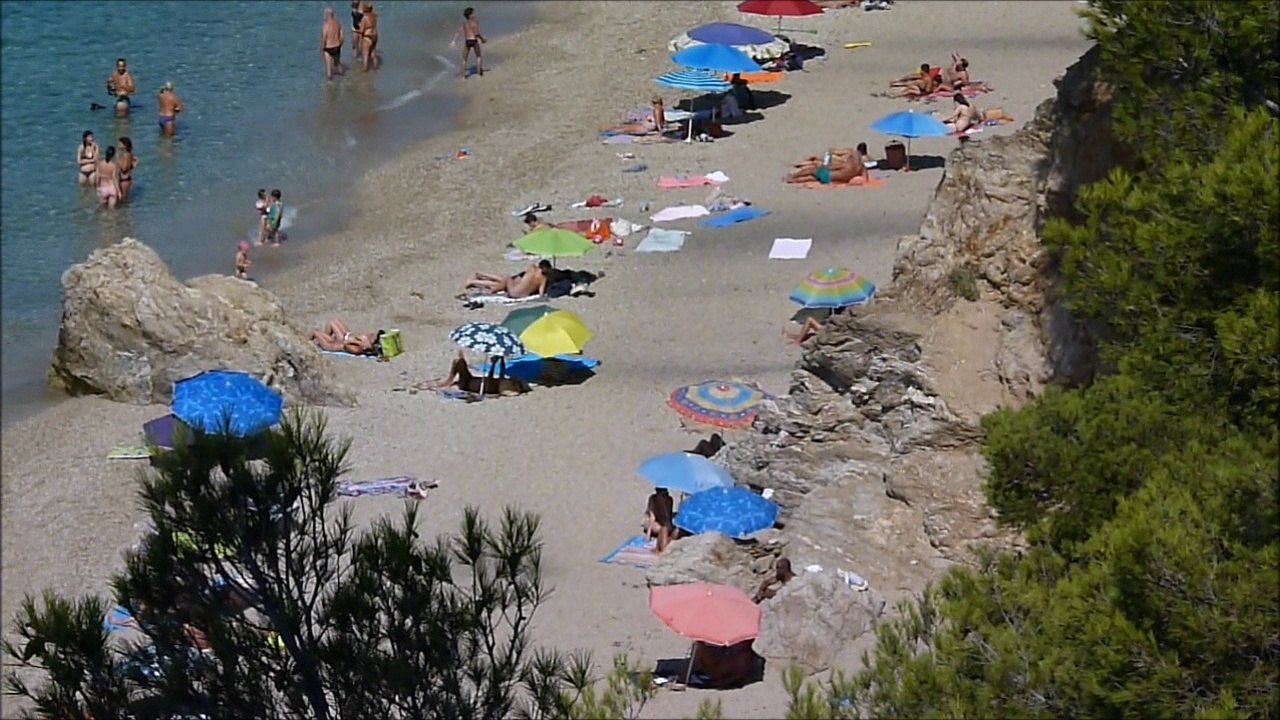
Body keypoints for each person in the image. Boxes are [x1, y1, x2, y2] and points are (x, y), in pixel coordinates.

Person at [428, 351, 531, 396]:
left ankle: (449, 380)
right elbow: (502, 374)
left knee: (458, 362)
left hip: (466, 384)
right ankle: (449, 380)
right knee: (458, 361)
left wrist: (493, 365)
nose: (511, 379)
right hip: (471, 379)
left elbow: (490, 379)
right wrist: (501, 359)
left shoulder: (494, 388)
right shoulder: (500, 383)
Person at [784, 147, 868, 185]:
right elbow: (865, 178)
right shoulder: (861, 167)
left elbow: (830, 168)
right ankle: (794, 180)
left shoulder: (847, 164)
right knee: (813, 178)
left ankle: (793, 177)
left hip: (828, 176)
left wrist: (821, 166)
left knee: (812, 170)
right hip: (831, 180)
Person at [463, 263, 546, 298]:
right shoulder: (543, 279)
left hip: (514, 292)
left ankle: (476, 281)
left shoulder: (532, 269)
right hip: (523, 295)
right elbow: (541, 294)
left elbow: (524, 279)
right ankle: (481, 276)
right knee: (504, 280)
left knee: (506, 278)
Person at [310, 319, 381, 355]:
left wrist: (358, 341)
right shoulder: (360, 346)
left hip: (329, 346)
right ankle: (310, 342)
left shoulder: (356, 349)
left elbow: (346, 343)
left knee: (315, 332)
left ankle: (306, 345)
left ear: (365, 347)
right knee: (317, 330)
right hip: (333, 342)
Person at [454, 7, 485, 78]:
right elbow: (476, 33)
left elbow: (460, 32)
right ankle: (479, 72)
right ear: (470, 15)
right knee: (478, 56)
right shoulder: (475, 21)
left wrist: (454, 40)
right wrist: (482, 39)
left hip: (467, 41)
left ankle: (463, 75)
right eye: (473, 13)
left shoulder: (464, 23)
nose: (475, 14)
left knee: (464, 59)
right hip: (474, 40)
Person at [320, 7, 347, 80]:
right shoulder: (337, 23)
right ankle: (344, 79)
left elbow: (324, 38)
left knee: (329, 70)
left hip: (328, 48)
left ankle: (330, 85)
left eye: (325, 14)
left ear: (327, 15)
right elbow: (342, 36)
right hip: (337, 46)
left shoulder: (325, 25)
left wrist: (321, 49)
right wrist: (340, 45)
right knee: (338, 64)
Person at [358, 3, 380, 72]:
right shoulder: (374, 16)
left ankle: (364, 74)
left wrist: (360, 41)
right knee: (373, 54)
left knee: (365, 57)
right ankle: (376, 70)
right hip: (375, 36)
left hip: (367, 37)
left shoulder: (365, 17)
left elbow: (361, 30)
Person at [116, 137, 138, 202]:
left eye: (120, 143)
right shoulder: (129, 154)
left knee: (123, 199)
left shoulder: (125, 155)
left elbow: (124, 168)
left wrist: (118, 161)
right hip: (126, 179)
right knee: (123, 199)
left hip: (124, 180)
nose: (118, 145)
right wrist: (132, 167)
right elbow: (136, 161)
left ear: (124, 145)